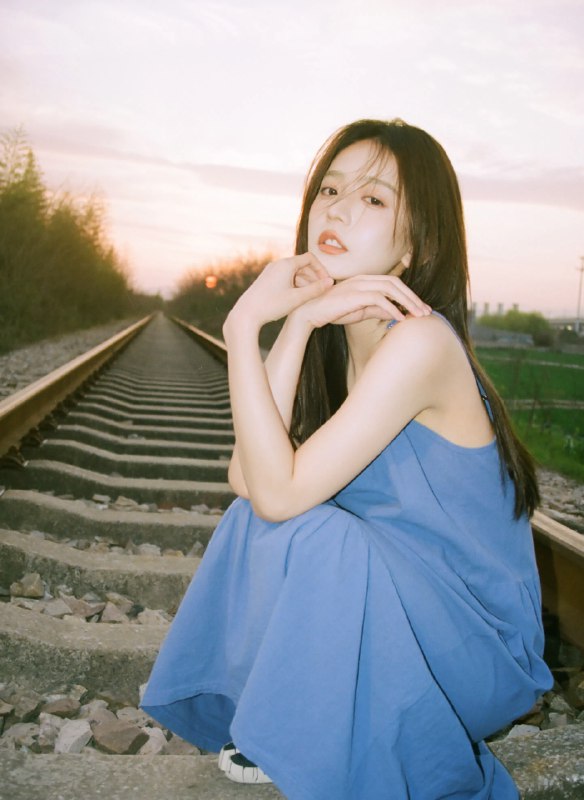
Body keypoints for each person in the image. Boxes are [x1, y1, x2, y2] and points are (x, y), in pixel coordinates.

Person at [141, 118, 552, 799]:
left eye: (373, 199)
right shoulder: (334, 339)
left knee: (318, 533)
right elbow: (249, 482)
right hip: (394, 620)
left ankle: (315, 731)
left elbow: (279, 495)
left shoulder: (419, 343)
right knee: (260, 519)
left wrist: (242, 327)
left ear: (417, 245)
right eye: (330, 190)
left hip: (470, 652)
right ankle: (286, 719)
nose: (336, 210)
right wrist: (296, 322)